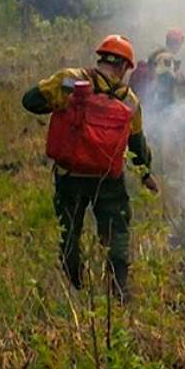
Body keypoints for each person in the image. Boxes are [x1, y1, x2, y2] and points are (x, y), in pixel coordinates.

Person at [21, 34, 158, 302]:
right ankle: (119, 290)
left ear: (101, 58)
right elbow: (137, 145)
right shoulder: (129, 100)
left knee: (69, 230)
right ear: (123, 67)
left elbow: (30, 101)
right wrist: (146, 175)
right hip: (108, 179)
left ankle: (74, 287)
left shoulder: (70, 81)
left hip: (70, 175)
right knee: (117, 229)